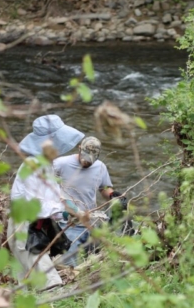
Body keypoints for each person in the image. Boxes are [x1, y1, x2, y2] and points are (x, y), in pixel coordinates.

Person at [7, 115, 84, 290]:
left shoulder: (46, 164)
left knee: (27, 281)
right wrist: (65, 211)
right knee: (49, 281)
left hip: (35, 226)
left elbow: (51, 199)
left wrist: (66, 211)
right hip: (23, 228)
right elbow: (37, 205)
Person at [53, 136, 125, 266]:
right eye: (85, 158)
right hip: (69, 222)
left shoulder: (100, 167)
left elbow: (104, 188)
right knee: (69, 263)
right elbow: (46, 188)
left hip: (91, 220)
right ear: (79, 149)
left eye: (91, 160)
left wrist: (113, 195)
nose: (87, 162)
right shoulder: (60, 164)